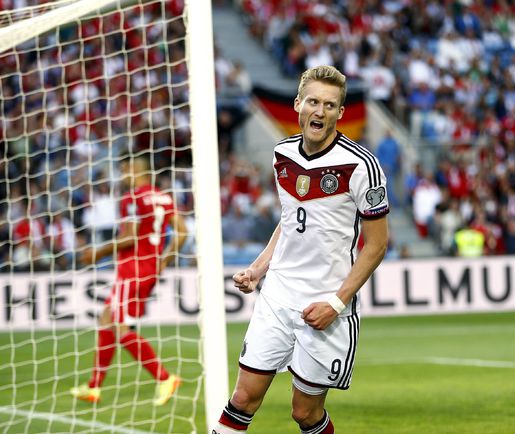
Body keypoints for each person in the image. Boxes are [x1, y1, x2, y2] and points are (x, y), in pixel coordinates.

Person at [212, 65, 390, 434]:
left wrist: (336, 303)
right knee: (242, 399)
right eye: (313, 102)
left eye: (329, 105)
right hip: (278, 295)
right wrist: (259, 268)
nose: (319, 111)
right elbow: (291, 218)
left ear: (340, 112)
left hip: (325, 302)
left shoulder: (362, 166)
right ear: (298, 104)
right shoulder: (282, 153)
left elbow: (376, 245)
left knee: (304, 413)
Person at [70, 153, 187, 406]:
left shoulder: (132, 197)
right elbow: (182, 232)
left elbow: (129, 237)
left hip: (132, 268)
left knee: (121, 327)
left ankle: (165, 378)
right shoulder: (163, 197)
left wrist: (97, 253)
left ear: (134, 169)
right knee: (107, 318)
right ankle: (94, 387)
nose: (122, 175)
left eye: (124, 170)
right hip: (149, 268)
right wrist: (164, 260)